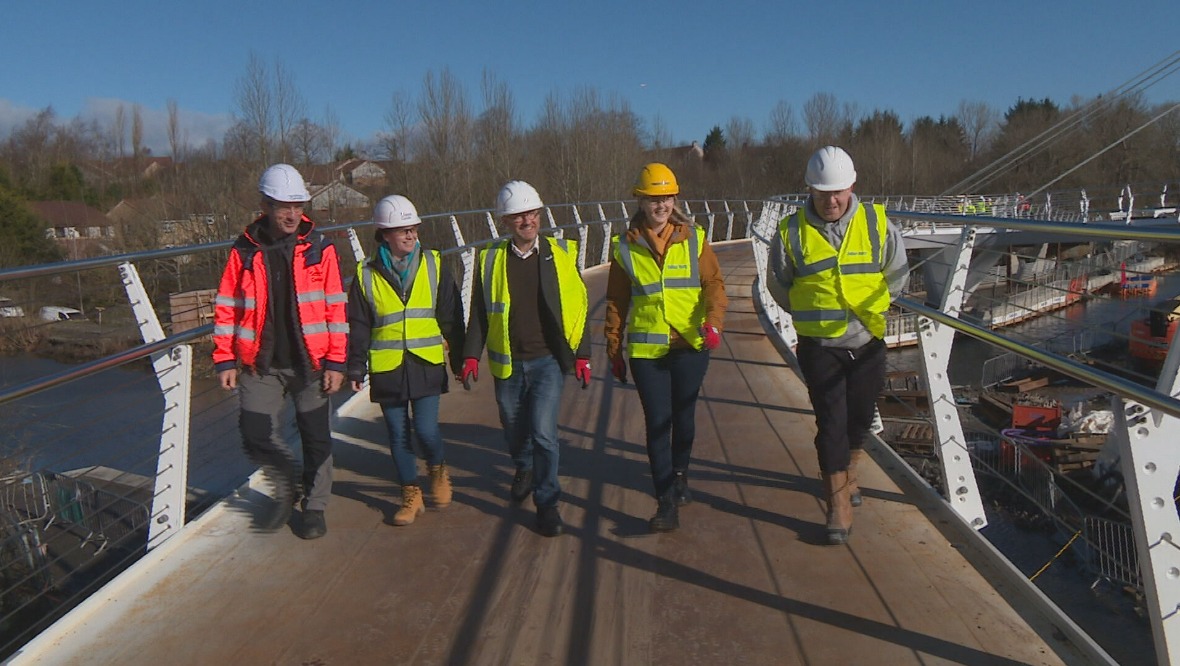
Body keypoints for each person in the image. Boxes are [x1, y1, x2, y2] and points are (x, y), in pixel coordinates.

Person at [766, 146, 910, 545]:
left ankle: (849, 476)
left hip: (867, 340)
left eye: (839, 191)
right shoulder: (791, 231)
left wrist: (872, 310)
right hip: (819, 344)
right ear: (809, 190)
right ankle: (838, 503)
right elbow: (778, 283)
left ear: (852, 186)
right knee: (830, 422)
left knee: (860, 418)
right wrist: (810, 314)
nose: (832, 200)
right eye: (822, 192)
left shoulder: (877, 224)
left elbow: (897, 274)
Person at [213, 163, 347, 539]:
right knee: (254, 431)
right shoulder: (243, 250)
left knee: (316, 435)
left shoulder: (321, 248)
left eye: (297, 205)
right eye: (282, 206)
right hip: (261, 362)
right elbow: (228, 305)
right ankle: (287, 480)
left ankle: (315, 507)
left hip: (312, 362)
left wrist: (337, 360)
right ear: (265, 206)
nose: (291, 214)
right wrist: (224, 356)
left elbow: (336, 307)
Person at [603, 163, 729, 533]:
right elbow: (615, 301)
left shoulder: (694, 239)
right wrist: (613, 347)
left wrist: (715, 323)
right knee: (658, 422)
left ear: (675, 200)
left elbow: (715, 285)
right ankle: (665, 500)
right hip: (646, 350)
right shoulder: (625, 247)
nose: (660, 205)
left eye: (666, 197)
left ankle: (679, 473)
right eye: (653, 198)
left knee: (684, 418)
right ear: (641, 201)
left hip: (690, 343)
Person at [461, 180, 591, 537]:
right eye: (518, 216)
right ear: (505, 221)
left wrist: (582, 355)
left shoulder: (560, 254)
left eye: (532, 213)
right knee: (514, 428)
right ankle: (524, 467)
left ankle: (547, 504)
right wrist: (471, 355)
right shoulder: (490, 259)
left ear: (540, 215)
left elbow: (578, 307)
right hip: (508, 363)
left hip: (548, 360)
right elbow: (479, 314)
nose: (527, 221)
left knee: (545, 433)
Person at [346, 195, 465, 526]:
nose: (410, 236)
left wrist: (459, 358)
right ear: (384, 234)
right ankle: (410, 495)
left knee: (426, 431)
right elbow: (358, 323)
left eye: (413, 229)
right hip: (387, 367)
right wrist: (355, 365)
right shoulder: (365, 274)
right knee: (398, 434)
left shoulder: (434, 264)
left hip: (425, 361)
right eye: (402, 231)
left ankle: (438, 469)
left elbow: (451, 315)